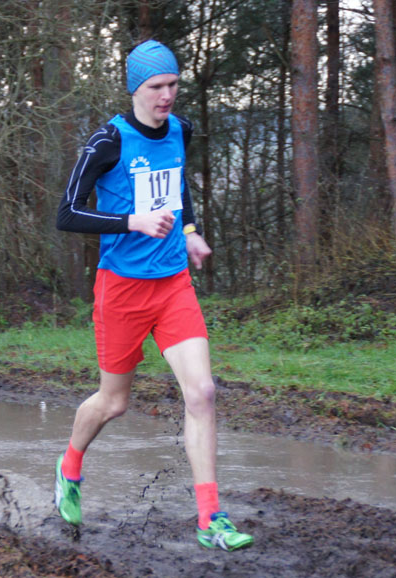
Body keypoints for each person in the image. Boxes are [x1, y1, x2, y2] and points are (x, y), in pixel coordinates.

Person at [52, 40, 253, 551]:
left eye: (173, 84)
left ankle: (210, 518)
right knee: (114, 402)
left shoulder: (181, 130)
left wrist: (189, 231)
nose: (167, 95)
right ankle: (70, 466)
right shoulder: (107, 142)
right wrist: (131, 222)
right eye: (156, 86)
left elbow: (178, 188)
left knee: (202, 392)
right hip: (121, 289)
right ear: (134, 89)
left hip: (172, 285)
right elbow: (67, 213)